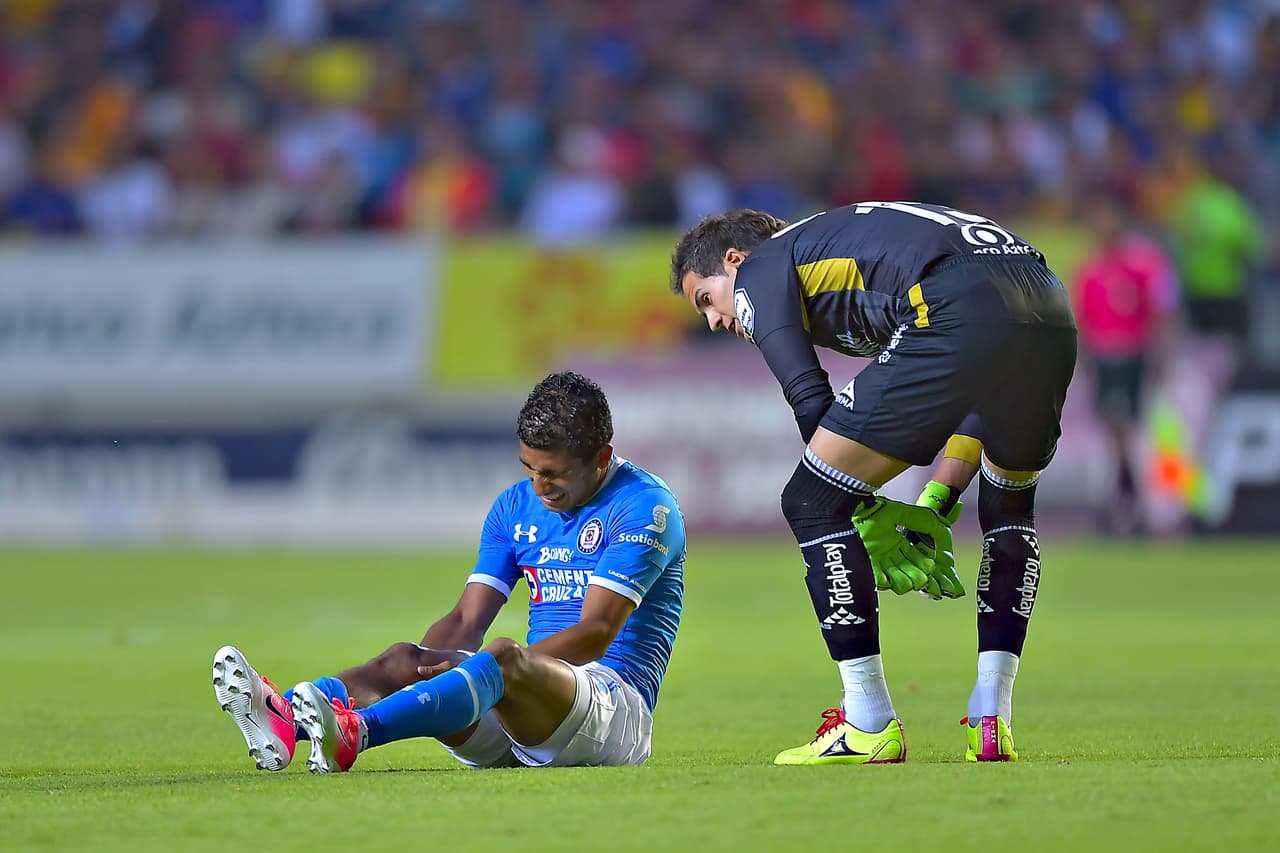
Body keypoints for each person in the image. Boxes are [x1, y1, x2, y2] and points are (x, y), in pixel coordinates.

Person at [670, 202, 1077, 764]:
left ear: (734, 260)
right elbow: (982, 379)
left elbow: (809, 396)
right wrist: (938, 498)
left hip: (959, 300)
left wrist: (862, 507)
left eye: (706, 300)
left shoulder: (763, 267)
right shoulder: (843, 245)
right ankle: (993, 716)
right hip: (1047, 306)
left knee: (810, 501)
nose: (715, 321)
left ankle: (867, 720)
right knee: (1010, 507)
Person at [211, 371, 685, 772]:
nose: (540, 487)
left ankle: (356, 735)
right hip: (517, 710)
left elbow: (595, 633)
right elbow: (464, 622)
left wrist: (490, 672)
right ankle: (282, 720)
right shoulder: (515, 507)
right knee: (405, 656)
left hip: (609, 710)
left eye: (555, 475)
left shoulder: (644, 506)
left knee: (501, 657)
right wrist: (431, 668)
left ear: (601, 459)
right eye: (529, 469)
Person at [1073, 196, 1180, 534]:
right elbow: (1083, 321)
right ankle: (1126, 496)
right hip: (1104, 357)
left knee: (1132, 427)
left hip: (1134, 354)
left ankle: (1136, 497)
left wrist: (1162, 352)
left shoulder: (1143, 262)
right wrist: (1082, 361)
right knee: (1113, 428)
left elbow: (1163, 307)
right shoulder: (1090, 268)